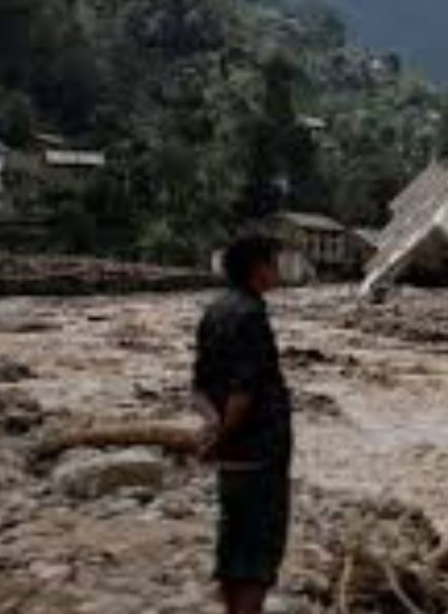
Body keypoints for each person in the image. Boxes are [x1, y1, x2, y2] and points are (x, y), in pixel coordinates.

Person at [192, 235, 293, 614]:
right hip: (259, 453)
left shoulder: (214, 311)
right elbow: (243, 392)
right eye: (274, 263)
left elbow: (198, 389)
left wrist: (212, 430)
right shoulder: (252, 315)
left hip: (231, 457)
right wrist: (223, 434)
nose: (278, 270)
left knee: (233, 545)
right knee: (258, 554)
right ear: (258, 269)